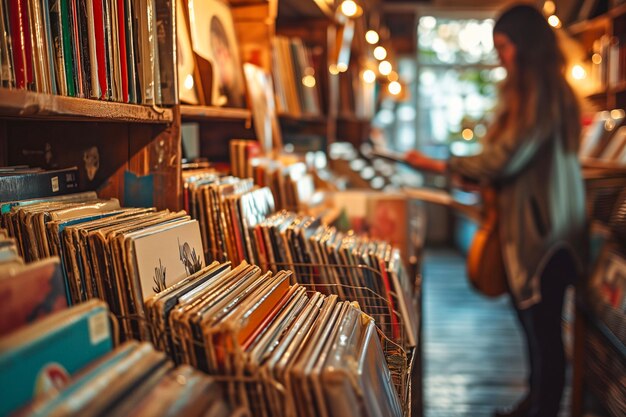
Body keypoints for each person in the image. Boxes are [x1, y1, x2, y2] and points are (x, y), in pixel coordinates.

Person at [405, 4, 588, 417]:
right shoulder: (542, 91)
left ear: (526, 46)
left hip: (545, 234)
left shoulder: (542, 92)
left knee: (542, 329)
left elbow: (505, 158)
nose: (500, 57)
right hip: (542, 228)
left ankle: (541, 408)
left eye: (504, 47)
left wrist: (439, 164)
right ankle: (534, 402)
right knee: (535, 327)